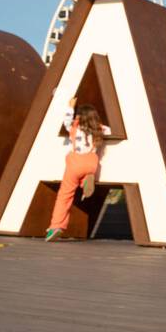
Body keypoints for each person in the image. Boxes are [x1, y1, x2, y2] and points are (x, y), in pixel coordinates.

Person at [45, 96, 111, 242]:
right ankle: (85, 180)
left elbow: (66, 121)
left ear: (79, 116)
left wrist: (70, 107)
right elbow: (110, 130)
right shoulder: (100, 128)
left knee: (65, 195)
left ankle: (56, 227)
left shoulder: (74, 126)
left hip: (75, 162)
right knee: (83, 176)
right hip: (91, 162)